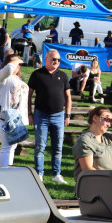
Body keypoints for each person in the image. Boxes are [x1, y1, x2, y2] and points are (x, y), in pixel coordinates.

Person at [28, 49, 72, 184]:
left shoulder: (63, 75)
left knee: (58, 146)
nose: (56, 62)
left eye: (58, 60)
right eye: (53, 59)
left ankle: (56, 174)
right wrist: (30, 114)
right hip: (41, 115)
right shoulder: (37, 74)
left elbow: (68, 97)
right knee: (40, 146)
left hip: (59, 115)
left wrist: (68, 115)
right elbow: (29, 96)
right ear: (46, 59)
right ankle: (39, 173)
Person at [73, 106, 112, 178]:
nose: (109, 124)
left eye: (110, 121)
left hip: (111, 183)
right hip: (94, 185)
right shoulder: (85, 140)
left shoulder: (109, 136)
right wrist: (110, 180)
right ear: (95, 118)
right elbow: (88, 170)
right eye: (106, 119)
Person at [0, 56, 29, 167]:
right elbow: (9, 69)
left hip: (16, 118)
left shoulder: (17, 78)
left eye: (20, 64)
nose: (18, 66)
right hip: (5, 117)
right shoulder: (2, 76)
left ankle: (8, 168)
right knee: (7, 146)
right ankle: (4, 171)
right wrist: (16, 60)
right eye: (16, 63)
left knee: (12, 146)